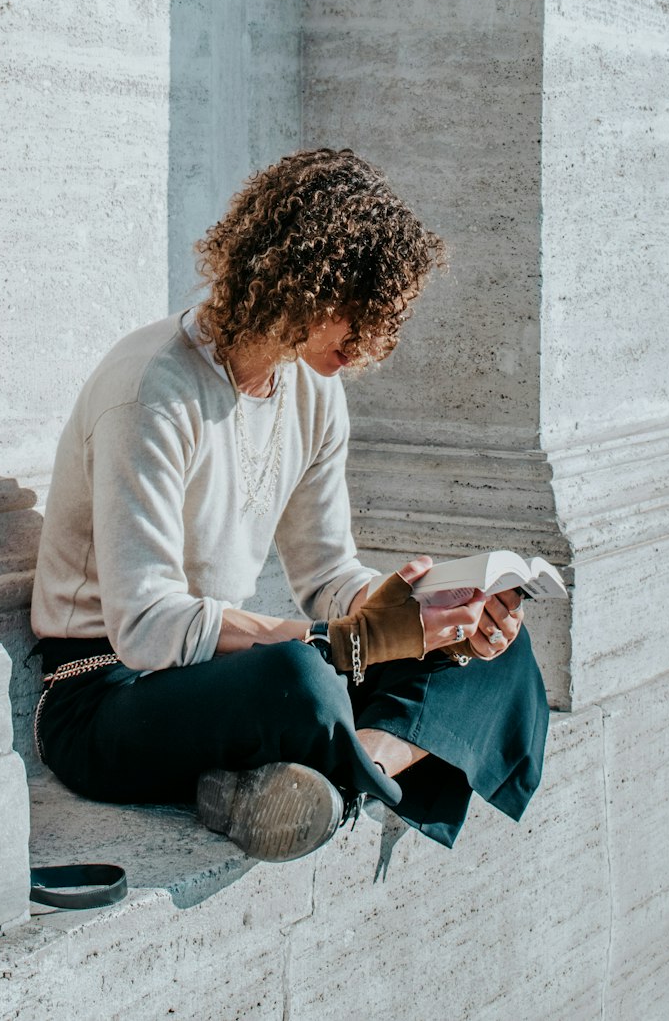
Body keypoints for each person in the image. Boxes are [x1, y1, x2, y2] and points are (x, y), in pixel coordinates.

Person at [31, 147, 549, 861]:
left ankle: (332, 785)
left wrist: (430, 609)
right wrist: (340, 644)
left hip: (215, 675)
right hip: (105, 697)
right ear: (302, 279)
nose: (376, 341)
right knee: (299, 677)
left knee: (492, 653)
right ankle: (335, 779)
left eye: (387, 316)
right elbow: (146, 628)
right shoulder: (151, 390)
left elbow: (329, 577)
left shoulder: (311, 393)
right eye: (361, 310)